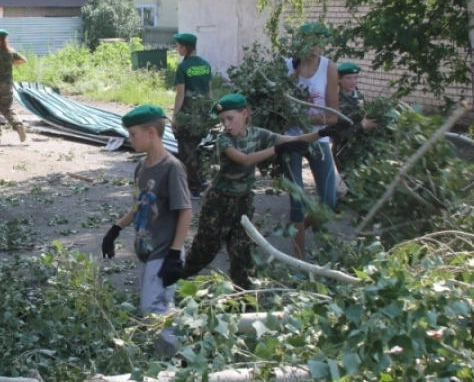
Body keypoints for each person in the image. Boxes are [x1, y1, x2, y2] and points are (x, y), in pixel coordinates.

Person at [181, 94, 337, 290]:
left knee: (243, 255)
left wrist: (322, 133)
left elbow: (295, 139)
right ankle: (172, 279)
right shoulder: (224, 141)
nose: (226, 125)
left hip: (243, 202)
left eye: (230, 118)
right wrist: (278, 149)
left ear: (244, 114)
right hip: (219, 203)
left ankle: (244, 299)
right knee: (203, 252)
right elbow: (245, 159)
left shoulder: (258, 134)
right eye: (222, 121)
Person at [101, 105, 192, 355]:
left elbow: (186, 211)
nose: (129, 139)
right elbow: (137, 206)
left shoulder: (171, 168)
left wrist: (174, 254)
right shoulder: (142, 166)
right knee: (162, 308)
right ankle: (168, 356)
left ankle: (183, 360)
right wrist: (115, 229)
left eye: (133, 134)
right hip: (145, 251)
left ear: (151, 132)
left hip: (164, 253)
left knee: (152, 310)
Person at [284, 23, 340, 260]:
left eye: (321, 41)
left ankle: (297, 231)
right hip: (291, 140)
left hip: (318, 138)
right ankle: (299, 261)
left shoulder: (329, 67)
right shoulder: (286, 66)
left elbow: (333, 115)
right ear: (301, 42)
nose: (318, 47)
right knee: (297, 202)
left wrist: (310, 117)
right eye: (313, 41)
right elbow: (275, 107)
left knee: (328, 201)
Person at [170, 32, 212, 199]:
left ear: (185, 47)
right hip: (202, 112)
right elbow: (209, 91)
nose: (176, 48)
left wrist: (175, 116)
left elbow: (180, 95)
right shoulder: (205, 65)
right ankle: (201, 178)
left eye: (178, 46)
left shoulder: (183, 67)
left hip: (188, 113)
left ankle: (194, 187)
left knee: (186, 150)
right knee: (197, 147)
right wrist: (210, 113)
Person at [334, 62, 378, 173]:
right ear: (339, 79)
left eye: (355, 78)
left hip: (363, 150)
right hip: (344, 152)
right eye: (348, 78)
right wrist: (361, 126)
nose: (353, 82)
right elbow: (337, 133)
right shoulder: (334, 101)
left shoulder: (359, 96)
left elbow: (365, 116)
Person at [0, 29, 27, 145]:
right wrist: (10, 63)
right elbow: (24, 60)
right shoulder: (10, 51)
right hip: (8, 84)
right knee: (7, 108)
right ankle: (18, 124)